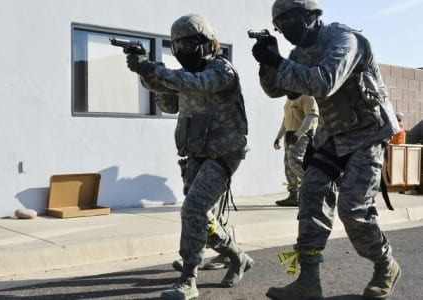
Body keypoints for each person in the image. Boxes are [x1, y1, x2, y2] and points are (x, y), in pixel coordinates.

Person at [251, 0, 402, 299]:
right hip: (334, 134)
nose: (285, 27)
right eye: (280, 24)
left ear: (311, 16)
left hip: (367, 133)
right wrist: (267, 63)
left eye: (290, 18)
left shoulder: (344, 40)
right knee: (310, 195)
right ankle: (309, 281)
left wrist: (281, 63)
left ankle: (386, 265)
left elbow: (325, 82)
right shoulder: (298, 54)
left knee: (353, 209)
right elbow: (277, 90)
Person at [125, 13, 253, 300]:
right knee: (202, 217)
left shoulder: (222, 71)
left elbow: (196, 83)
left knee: (193, 210)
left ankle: (188, 279)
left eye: (188, 45)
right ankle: (237, 256)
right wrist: (146, 74)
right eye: (177, 47)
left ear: (207, 43)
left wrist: (153, 71)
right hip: (195, 152)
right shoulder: (188, 77)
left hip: (223, 153)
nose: (183, 52)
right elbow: (170, 103)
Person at [273, 94, 318, 207]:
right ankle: (294, 196)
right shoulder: (290, 98)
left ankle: (315, 187)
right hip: (289, 134)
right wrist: (279, 136)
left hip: (301, 135)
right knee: (288, 165)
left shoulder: (307, 96)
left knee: (295, 162)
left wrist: (298, 134)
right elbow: (286, 118)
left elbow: (311, 117)